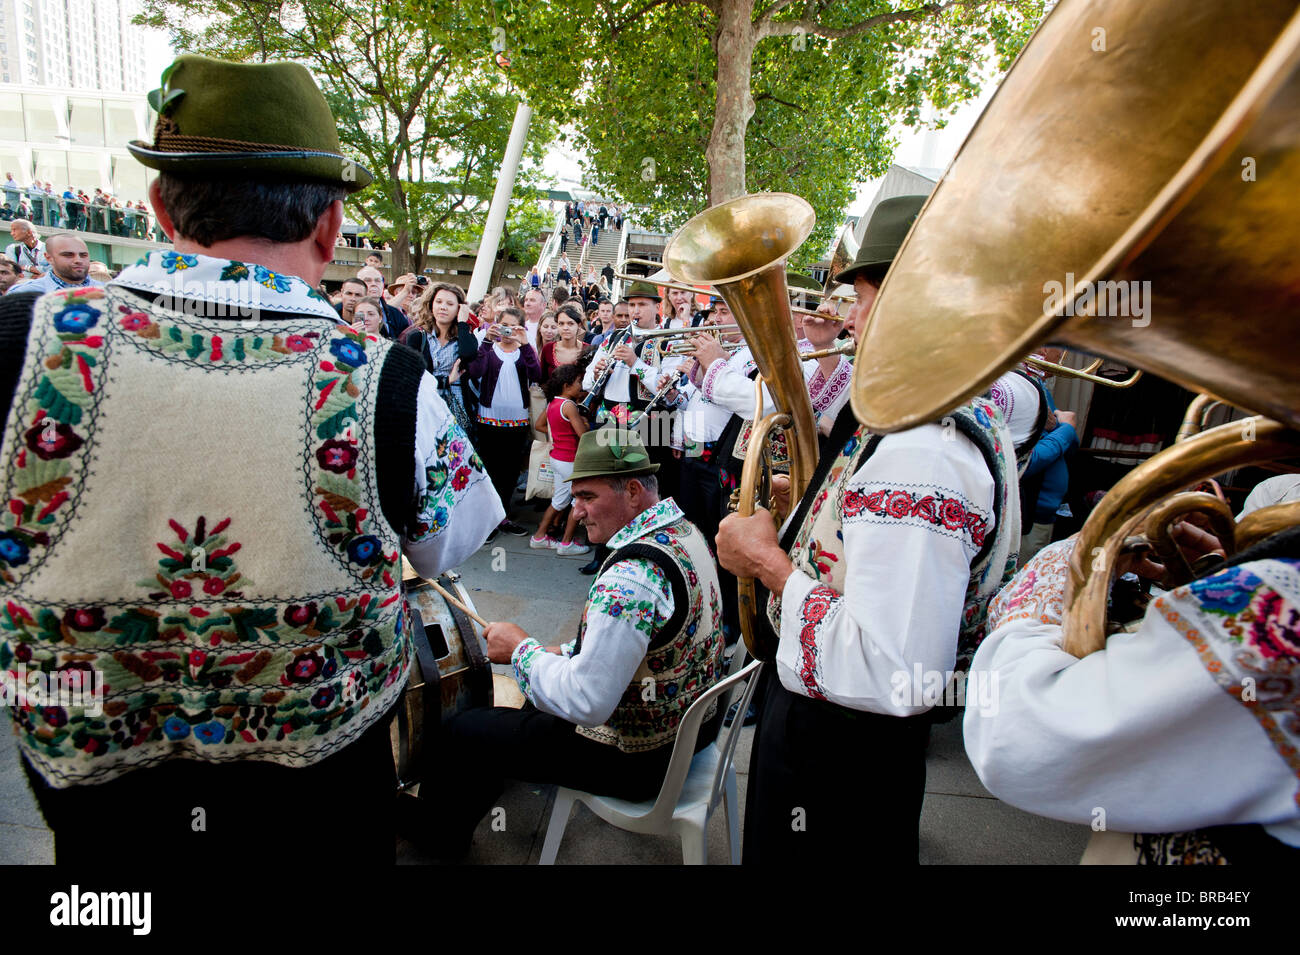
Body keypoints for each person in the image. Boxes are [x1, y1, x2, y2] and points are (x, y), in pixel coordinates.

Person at [0, 53, 502, 865]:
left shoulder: (21, 344)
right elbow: (453, 541)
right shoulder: (387, 381)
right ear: (330, 226)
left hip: (103, 821)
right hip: (319, 814)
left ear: (161, 206)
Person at [713, 195, 1020, 864]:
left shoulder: (923, 451)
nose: (850, 318)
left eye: (863, 296)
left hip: (835, 755)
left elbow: (893, 672)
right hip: (846, 749)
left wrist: (767, 560)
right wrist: (816, 510)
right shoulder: (934, 414)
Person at [430, 430, 725, 857]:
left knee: (461, 732)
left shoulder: (630, 576)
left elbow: (588, 703)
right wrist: (561, 654)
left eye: (587, 496)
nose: (578, 510)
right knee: (533, 698)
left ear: (635, 492)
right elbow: (644, 642)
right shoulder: (685, 532)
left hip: (638, 759)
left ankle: (442, 842)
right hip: (688, 734)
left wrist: (520, 651)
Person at [464, 305, 542, 539]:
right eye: (504, 325)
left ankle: (503, 516)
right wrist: (487, 342)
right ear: (497, 324)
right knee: (489, 470)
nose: (508, 331)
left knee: (509, 471)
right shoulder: (488, 348)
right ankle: (487, 520)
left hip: (517, 421)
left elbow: (536, 375)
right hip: (489, 419)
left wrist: (526, 344)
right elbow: (475, 372)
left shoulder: (524, 350)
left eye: (513, 326)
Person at [398, 281, 479, 435]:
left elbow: (469, 354)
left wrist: (462, 322)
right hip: (426, 399)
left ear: (459, 308)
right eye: (439, 302)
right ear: (431, 305)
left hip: (457, 402)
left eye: (450, 304)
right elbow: (412, 376)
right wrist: (445, 381)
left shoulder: (464, 336)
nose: (443, 307)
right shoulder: (416, 336)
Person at [531, 363, 591, 557]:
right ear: (567, 385)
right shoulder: (569, 406)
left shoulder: (553, 404)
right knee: (577, 502)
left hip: (557, 457)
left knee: (558, 501)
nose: (581, 386)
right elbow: (582, 435)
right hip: (570, 461)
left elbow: (540, 425)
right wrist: (586, 424)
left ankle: (539, 537)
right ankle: (566, 543)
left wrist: (558, 434)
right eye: (578, 382)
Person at [4, 233, 102, 295]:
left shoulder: (110, 292)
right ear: (49, 258)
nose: (78, 260)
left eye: (83, 255)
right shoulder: (23, 293)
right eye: (68, 255)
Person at [356, 264, 409, 338]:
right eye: (368, 280)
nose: (373, 284)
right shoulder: (344, 310)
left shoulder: (396, 314)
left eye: (377, 281)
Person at [540, 302, 588, 381]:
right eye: (561, 323)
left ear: (578, 326)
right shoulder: (548, 349)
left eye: (570, 324)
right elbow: (543, 379)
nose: (565, 328)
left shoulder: (588, 350)